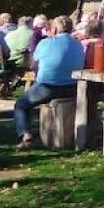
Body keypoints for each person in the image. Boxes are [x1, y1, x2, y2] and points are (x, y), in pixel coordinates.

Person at [13, 15, 84, 150]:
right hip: (73, 86)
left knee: (21, 105)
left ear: (55, 29)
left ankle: (25, 135)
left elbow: (33, 64)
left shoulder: (45, 43)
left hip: (48, 86)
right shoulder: (78, 45)